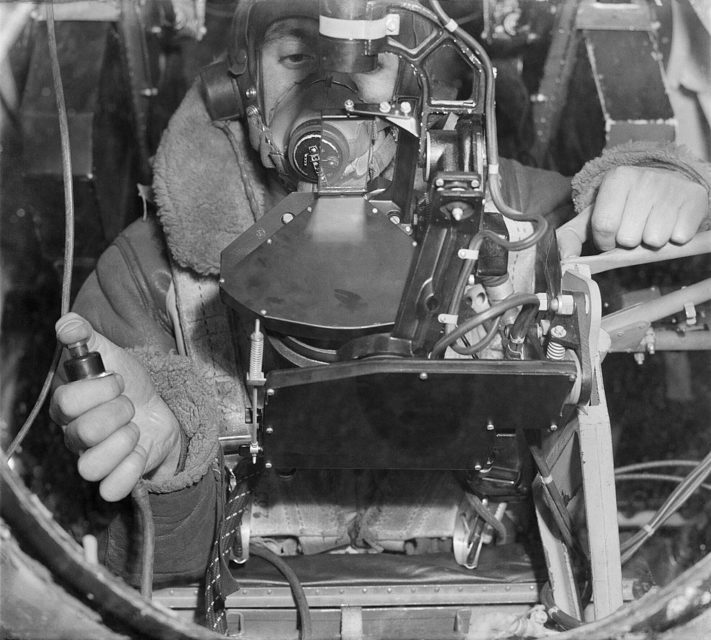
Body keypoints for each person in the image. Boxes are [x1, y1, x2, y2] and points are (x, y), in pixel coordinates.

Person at [49, 0, 710, 592]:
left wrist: (653, 194)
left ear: (425, 83)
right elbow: (134, 568)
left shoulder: (515, 217)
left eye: (373, 54)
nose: (331, 90)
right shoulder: (150, 273)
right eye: (298, 54)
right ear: (241, 91)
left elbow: (629, 463)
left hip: (488, 591)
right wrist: (165, 458)